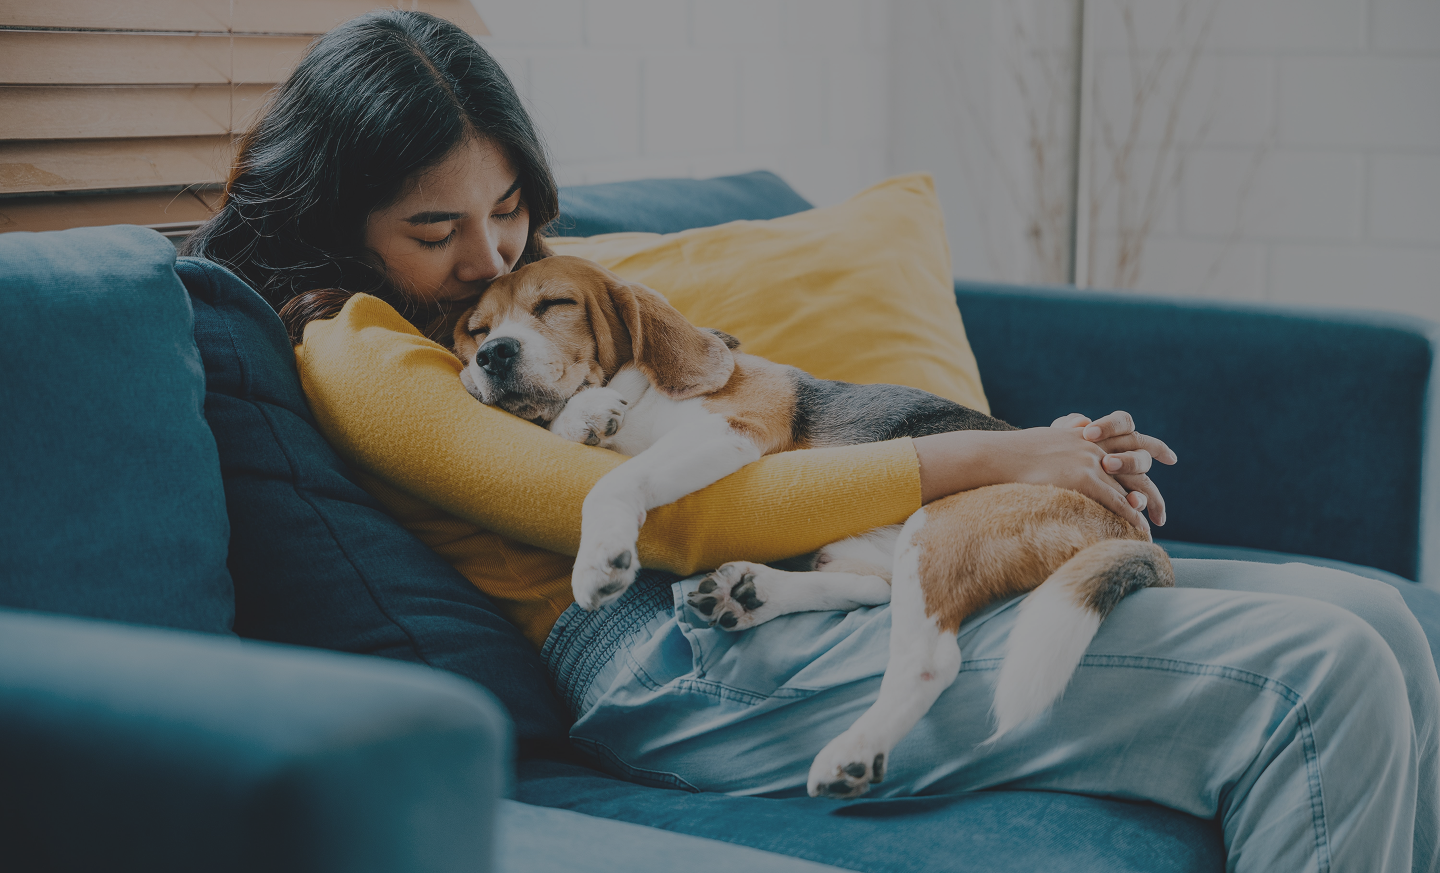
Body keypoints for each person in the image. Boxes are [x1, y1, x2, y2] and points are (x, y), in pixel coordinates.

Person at [183, 10, 1439, 872]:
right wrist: (997, 456)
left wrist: (1037, 459)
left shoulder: (524, 298)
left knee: (1384, 622)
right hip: (678, 655)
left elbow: (724, 394)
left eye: (508, 210)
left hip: (817, 581)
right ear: (342, 219)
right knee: (1319, 675)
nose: (487, 257)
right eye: (435, 229)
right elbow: (673, 518)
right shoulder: (358, 350)